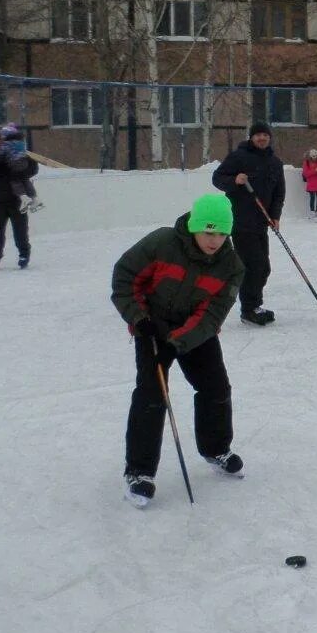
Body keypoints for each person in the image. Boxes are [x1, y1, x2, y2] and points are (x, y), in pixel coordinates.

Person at [110, 193, 245, 508]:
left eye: (222, 233)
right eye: (208, 232)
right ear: (195, 226)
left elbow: (212, 314)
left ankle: (216, 448)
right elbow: (124, 279)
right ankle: (140, 472)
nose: (215, 240)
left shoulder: (231, 266)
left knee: (215, 388)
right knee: (152, 394)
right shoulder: (162, 243)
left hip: (195, 332)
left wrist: (177, 341)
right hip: (150, 325)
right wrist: (140, 321)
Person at [211, 121, 285, 326]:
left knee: (264, 268)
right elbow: (217, 178)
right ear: (251, 137)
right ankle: (249, 309)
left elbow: (279, 193)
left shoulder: (275, 163)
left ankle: (254, 305)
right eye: (258, 135)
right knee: (254, 265)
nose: (262, 138)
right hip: (241, 222)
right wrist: (235, 180)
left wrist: (275, 216)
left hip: (262, 223)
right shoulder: (238, 157)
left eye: (265, 135)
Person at [0, 126, 39, 270]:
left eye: (0, 141)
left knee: (20, 230)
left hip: (17, 199)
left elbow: (33, 168)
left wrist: (20, 169)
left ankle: (24, 254)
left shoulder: (15, 153)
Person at [0, 124, 42, 213]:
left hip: (15, 163)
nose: (1, 138)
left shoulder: (8, 143)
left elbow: (0, 153)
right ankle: (35, 199)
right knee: (25, 179)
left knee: (14, 180)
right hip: (24, 162)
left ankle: (24, 197)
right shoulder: (20, 142)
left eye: (2, 136)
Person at [301, 148, 317, 221]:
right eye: (313, 156)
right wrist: (315, 171)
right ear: (310, 156)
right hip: (311, 183)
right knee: (312, 198)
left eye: (315, 156)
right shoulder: (307, 162)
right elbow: (305, 173)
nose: (314, 157)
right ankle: (312, 212)